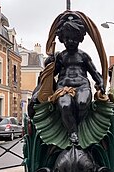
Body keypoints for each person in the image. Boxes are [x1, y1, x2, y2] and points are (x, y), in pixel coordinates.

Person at [44, 13, 105, 144]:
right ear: (62, 39)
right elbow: (50, 73)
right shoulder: (60, 57)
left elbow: (94, 72)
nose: (70, 42)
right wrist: (49, 62)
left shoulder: (84, 56)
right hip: (64, 88)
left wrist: (101, 82)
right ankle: (73, 131)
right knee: (65, 105)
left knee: (82, 103)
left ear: (79, 38)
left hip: (82, 86)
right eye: (67, 39)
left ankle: (75, 125)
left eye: (73, 39)